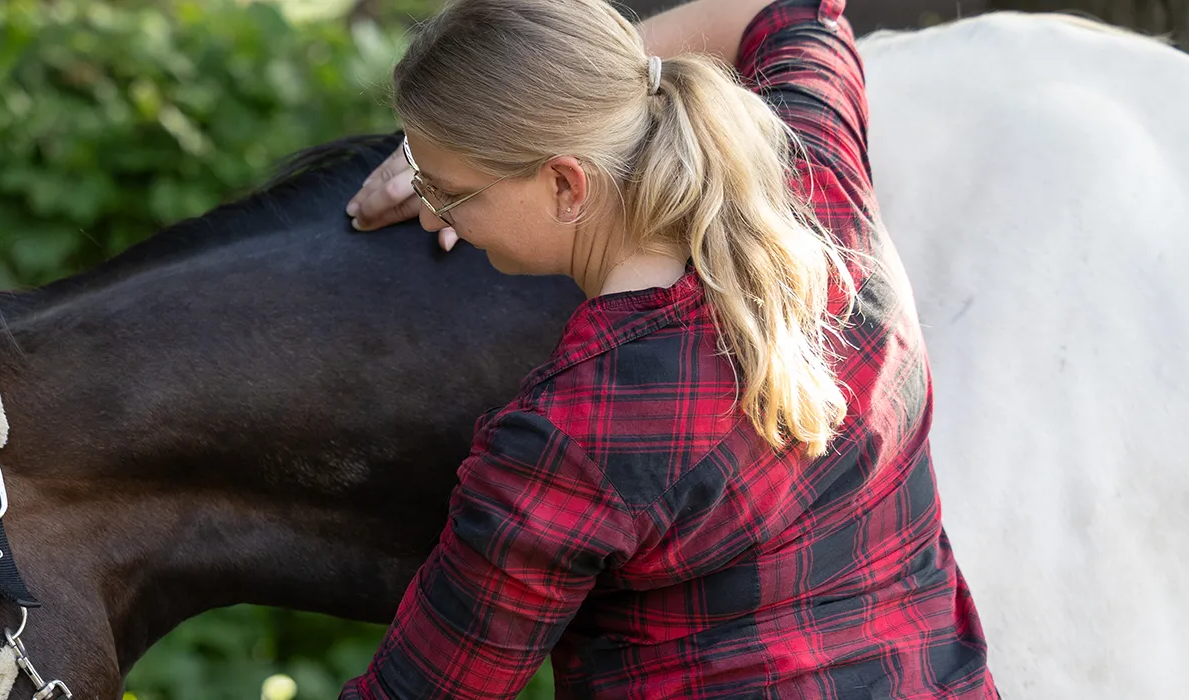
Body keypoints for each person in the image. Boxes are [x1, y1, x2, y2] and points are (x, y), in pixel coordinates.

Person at [338, 0, 998, 697]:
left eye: (449, 191)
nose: (435, 211)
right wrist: (610, 85)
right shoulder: (822, 187)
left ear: (566, 185)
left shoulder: (568, 442)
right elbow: (794, 9)